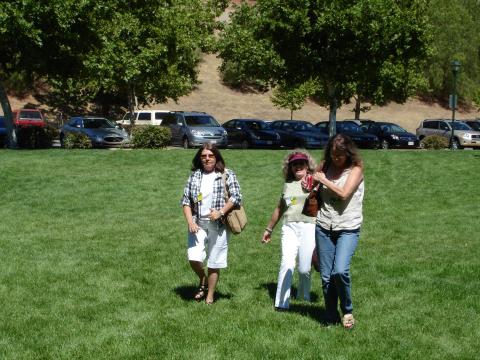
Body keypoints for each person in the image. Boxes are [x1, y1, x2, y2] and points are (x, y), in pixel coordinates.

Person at [313, 134, 364, 329]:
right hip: (324, 225)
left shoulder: (356, 169)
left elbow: (344, 194)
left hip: (348, 227)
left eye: (340, 156)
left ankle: (348, 309)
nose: (336, 159)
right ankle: (331, 315)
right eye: (333, 155)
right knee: (326, 276)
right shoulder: (325, 165)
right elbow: (311, 184)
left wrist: (323, 180)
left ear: (348, 153)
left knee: (340, 271)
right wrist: (309, 184)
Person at [181, 143, 243, 304]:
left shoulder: (226, 174)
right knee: (194, 257)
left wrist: (220, 212)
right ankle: (203, 279)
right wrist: (190, 222)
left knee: (215, 261)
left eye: (210, 155)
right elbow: (186, 201)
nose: (207, 159)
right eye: (203, 156)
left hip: (220, 225)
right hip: (198, 224)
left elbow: (236, 197)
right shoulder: (194, 176)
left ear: (216, 157)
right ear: (199, 158)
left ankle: (210, 296)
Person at [262, 150, 317, 311]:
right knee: (287, 263)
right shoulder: (287, 185)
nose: (298, 166)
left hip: (309, 227)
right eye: (294, 164)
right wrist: (269, 229)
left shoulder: (314, 181)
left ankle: (303, 295)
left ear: (307, 166)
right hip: (289, 228)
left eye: (301, 163)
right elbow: (279, 208)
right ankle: (281, 303)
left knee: (304, 268)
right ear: (290, 167)